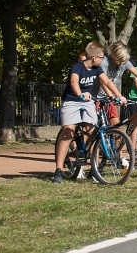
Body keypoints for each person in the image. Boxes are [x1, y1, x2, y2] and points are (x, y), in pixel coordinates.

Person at [52, 42, 123, 184]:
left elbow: (107, 82)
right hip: (72, 101)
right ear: (94, 57)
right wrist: (80, 94)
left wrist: (118, 95)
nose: (103, 60)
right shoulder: (77, 67)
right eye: (102, 57)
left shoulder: (97, 69)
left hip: (88, 101)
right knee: (68, 132)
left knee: (91, 130)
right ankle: (59, 170)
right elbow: (74, 82)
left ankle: (90, 162)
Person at [98, 41, 137, 127]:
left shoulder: (124, 62)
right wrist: (114, 96)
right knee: (90, 130)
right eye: (120, 60)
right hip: (97, 96)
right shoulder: (104, 62)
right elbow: (103, 82)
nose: (121, 63)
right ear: (113, 55)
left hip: (111, 97)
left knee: (116, 129)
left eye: (123, 61)